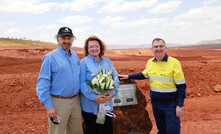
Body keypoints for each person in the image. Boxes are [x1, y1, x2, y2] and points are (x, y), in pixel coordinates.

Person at [119, 38, 186, 134]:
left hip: (170, 104)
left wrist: (180, 105)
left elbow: (181, 86)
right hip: (156, 104)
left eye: (161, 46)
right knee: (162, 129)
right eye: (156, 46)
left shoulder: (174, 63)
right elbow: (144, 74)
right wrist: (128, 76)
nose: (158, 48)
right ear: (152, 49)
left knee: (172, 130)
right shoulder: (150, 62)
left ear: (165, 47)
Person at [36, 27, 83, 134]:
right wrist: (49, 106)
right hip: (58, 103)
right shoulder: (50, 58)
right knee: (57, 132)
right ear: (58, 39)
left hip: (75, 101)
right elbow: (42, 84)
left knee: (77, 131)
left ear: (72, 39)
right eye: (63, 38)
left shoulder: (75, 55)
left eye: (69, 38)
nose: (66, 41)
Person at [80, 35, 120, 134]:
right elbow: (82, 83)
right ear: (87, 49)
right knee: (92, 131)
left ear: (100, 47)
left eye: (96, 46)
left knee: (107, 131)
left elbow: (115, 77)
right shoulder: (83, 63)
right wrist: (95, 97)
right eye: (91, 47)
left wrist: (113, 93)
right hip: (90, 106)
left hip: (107, 104)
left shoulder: (107, 61)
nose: (94, 49)